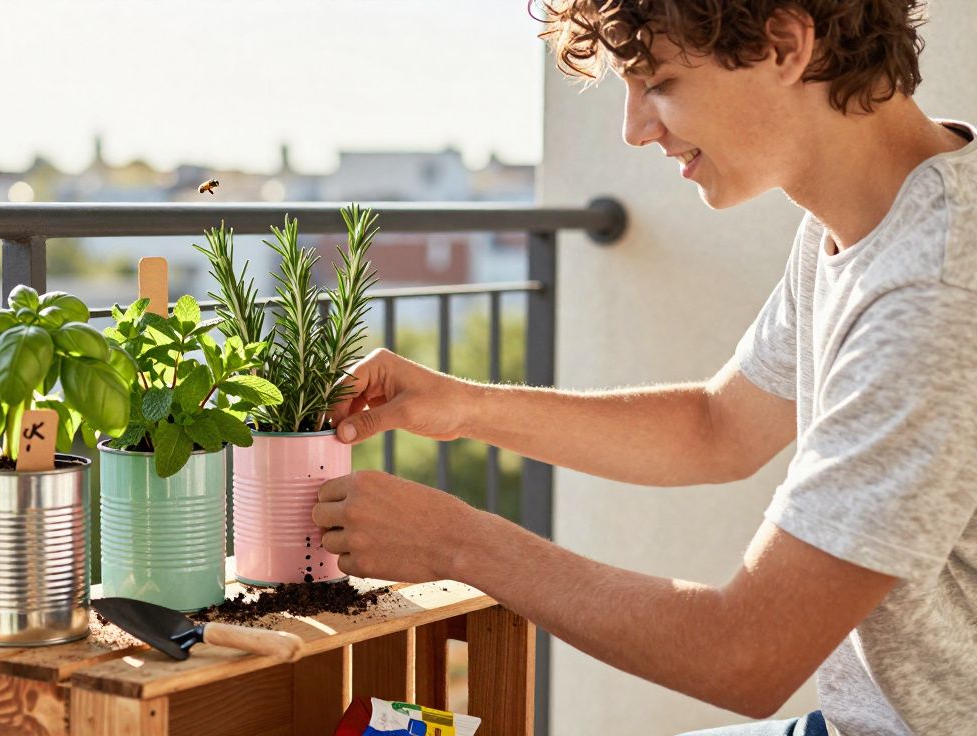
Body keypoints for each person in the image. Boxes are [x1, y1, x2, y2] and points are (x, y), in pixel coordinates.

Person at [311, 2, 977, 734]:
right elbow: (717, 425)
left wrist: (458, 542)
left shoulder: (936, 290)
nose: (636, 129)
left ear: (785, 45)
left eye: (657, 82)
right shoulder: (866, 216)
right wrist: (461, 405)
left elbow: (746, 654)